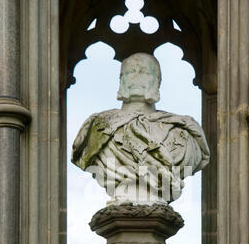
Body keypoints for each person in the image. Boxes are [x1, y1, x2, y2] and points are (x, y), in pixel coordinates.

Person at [72, 52, 210, 204]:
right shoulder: (98, 126)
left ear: (158, 81)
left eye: (144, 72)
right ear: (121, 80)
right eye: (130, 72)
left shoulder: (182, 132)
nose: (136, 77)